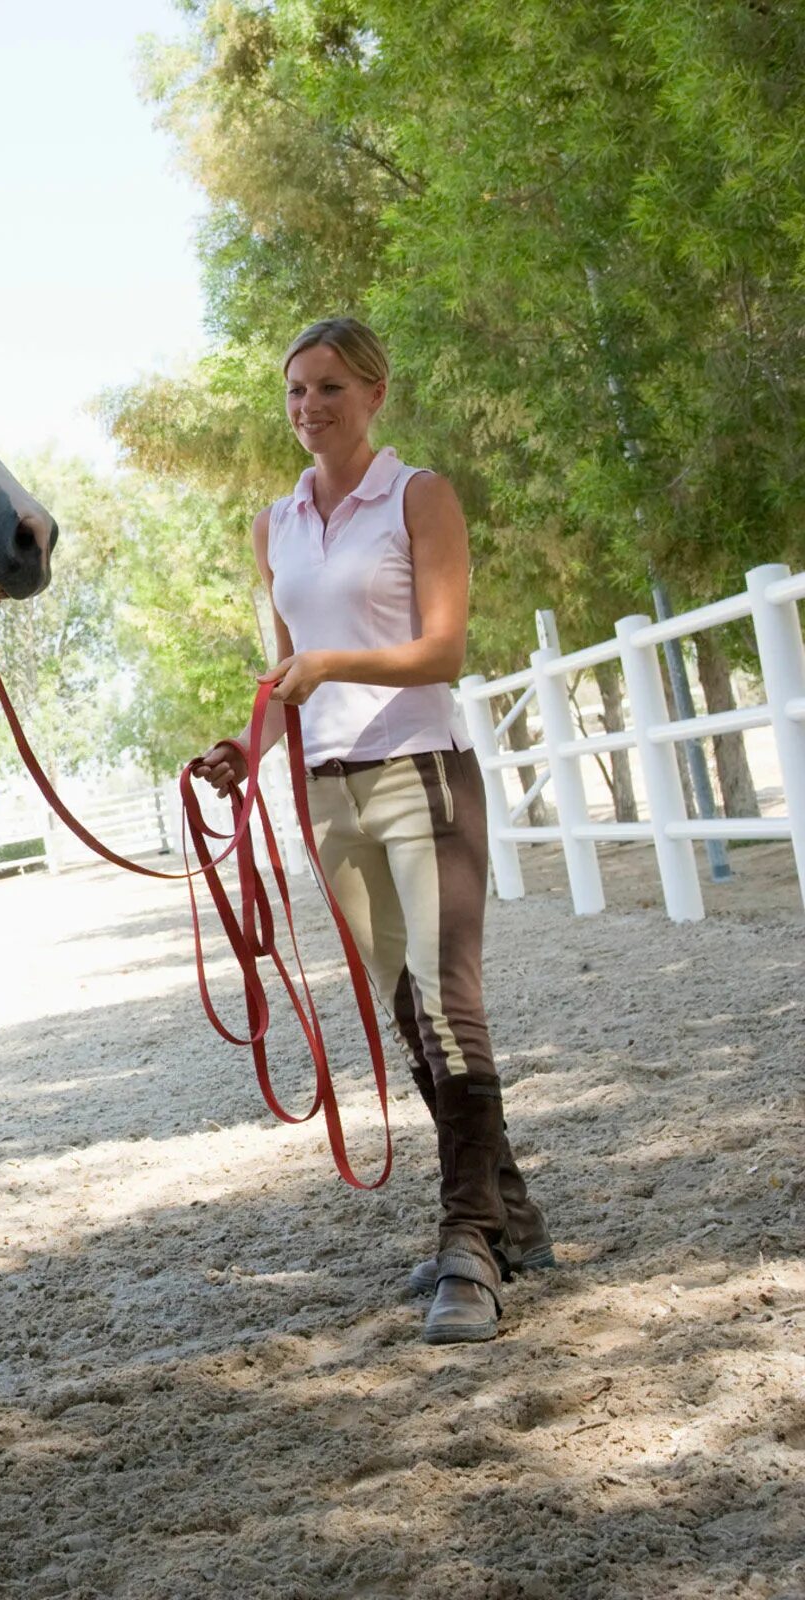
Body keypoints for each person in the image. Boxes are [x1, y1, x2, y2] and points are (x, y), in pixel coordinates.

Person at [194, 317, 552, 1345]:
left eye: (330, 388)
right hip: (328, 790)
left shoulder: (418, 496)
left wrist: (330, 668)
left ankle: (467, 1246)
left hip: (421, 775)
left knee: (450, 1006)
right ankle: (508, 1213)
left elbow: (441, 650)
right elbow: (285, 668)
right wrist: (245, 743)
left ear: (375, 393)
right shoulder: (276, 524)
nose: (310, 407)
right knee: (407, 1012)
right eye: (297, 390)